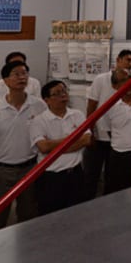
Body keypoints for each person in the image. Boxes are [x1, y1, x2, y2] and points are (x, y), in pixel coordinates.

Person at [0, 60, 45, 229]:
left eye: (24, 73)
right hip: (1, 171)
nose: (22, 77)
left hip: (29, 168)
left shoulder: (38, 106)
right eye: (16, 74)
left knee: (28, 214)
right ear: (5, 80)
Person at [29, 80, 90, 215]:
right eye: (56, 94)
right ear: (47, 100)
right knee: (51, 216)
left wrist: (55, 146)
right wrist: (73, 139)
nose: (63, 95)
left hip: (76, 174)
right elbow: (43, 147)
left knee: (77, 214)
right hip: (51, 178)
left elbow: (86, 139)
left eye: (64, 91)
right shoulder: (39, 121)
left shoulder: (77, 114)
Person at [83, 49, 131, 200]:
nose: (130, 64)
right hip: (98, 136)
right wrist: (89, 131)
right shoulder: (101, 80)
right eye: (127, 59)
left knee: (112, 176)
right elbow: (91, 106)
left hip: (117, 140)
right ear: (118, 60)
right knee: (91, 174)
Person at [102, 68, 131, 194]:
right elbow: (109, 130)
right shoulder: (109, 106)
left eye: (130, 78)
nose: (128, 83)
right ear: (115, 86)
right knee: (117, 193)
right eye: (123, 80)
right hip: (119, 156)